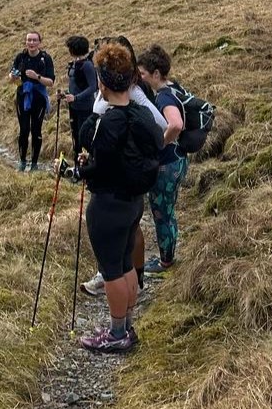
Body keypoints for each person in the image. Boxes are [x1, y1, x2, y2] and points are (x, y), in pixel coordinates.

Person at [74, 41, 163, 353]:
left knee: (111, 269)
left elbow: (100, 163)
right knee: (126, 265)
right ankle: (125, 325)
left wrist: (83, 170)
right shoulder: (140, 115)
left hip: (108, 204)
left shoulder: (106, 121)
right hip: (133, 202)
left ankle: (115, 334)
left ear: (102, 82)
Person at [137, 44, 188, 272]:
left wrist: (160, 143)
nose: (141, 78)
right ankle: (169, 254)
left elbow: (176, 124)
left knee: (162, 213)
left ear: (156, 74)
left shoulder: (164, 97)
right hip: (178, 160)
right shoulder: (174, 88)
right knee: (168, 211)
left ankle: (165, 260)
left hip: (167, 164)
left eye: (143, 74)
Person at [7, 31, 55, 172]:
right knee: (23, 130)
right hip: (22, 96)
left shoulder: (45, 58)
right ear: (26, 42)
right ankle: (22, 161)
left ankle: (34, 164)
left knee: (36, 130)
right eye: (29, 40)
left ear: (39, 42)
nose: (31, 43)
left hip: (39, 98)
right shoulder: (20, 57)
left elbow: (51, 82)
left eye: (34, 40)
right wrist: (13, 77)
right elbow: (10, 76)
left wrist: (37, 77)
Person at [63, 36, 97, 160]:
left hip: (85, 108)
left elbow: (93, 87)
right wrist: (65, 94)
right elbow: (75, 85)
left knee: (84, 137)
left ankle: (86, 166)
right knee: (76, 137)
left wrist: (76, 98)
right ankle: (78, 167)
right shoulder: (75, 64)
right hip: (74, 107)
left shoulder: (87, 65)